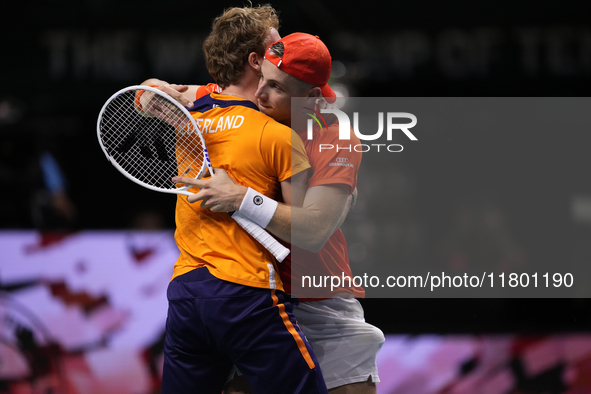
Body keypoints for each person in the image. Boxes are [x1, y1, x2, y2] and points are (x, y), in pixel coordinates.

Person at [173, 33, 384, 394]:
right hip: (255, 302)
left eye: (275, 87)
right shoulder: (248, 107)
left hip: (322, 302)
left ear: (312, 98)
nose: (259, 94)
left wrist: (242, 198)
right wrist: (153, 98)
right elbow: (154, 90)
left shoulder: (334, 137)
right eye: (261, 80)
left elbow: (314, 230)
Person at [146, 6, 328, 394]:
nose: (285, 48)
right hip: (247, 294)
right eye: (277, 44)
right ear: (256, 61)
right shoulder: (279, 136)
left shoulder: (192, 116)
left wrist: (152, 93)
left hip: (186, 293)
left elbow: (149, 96)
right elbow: (307, 233)